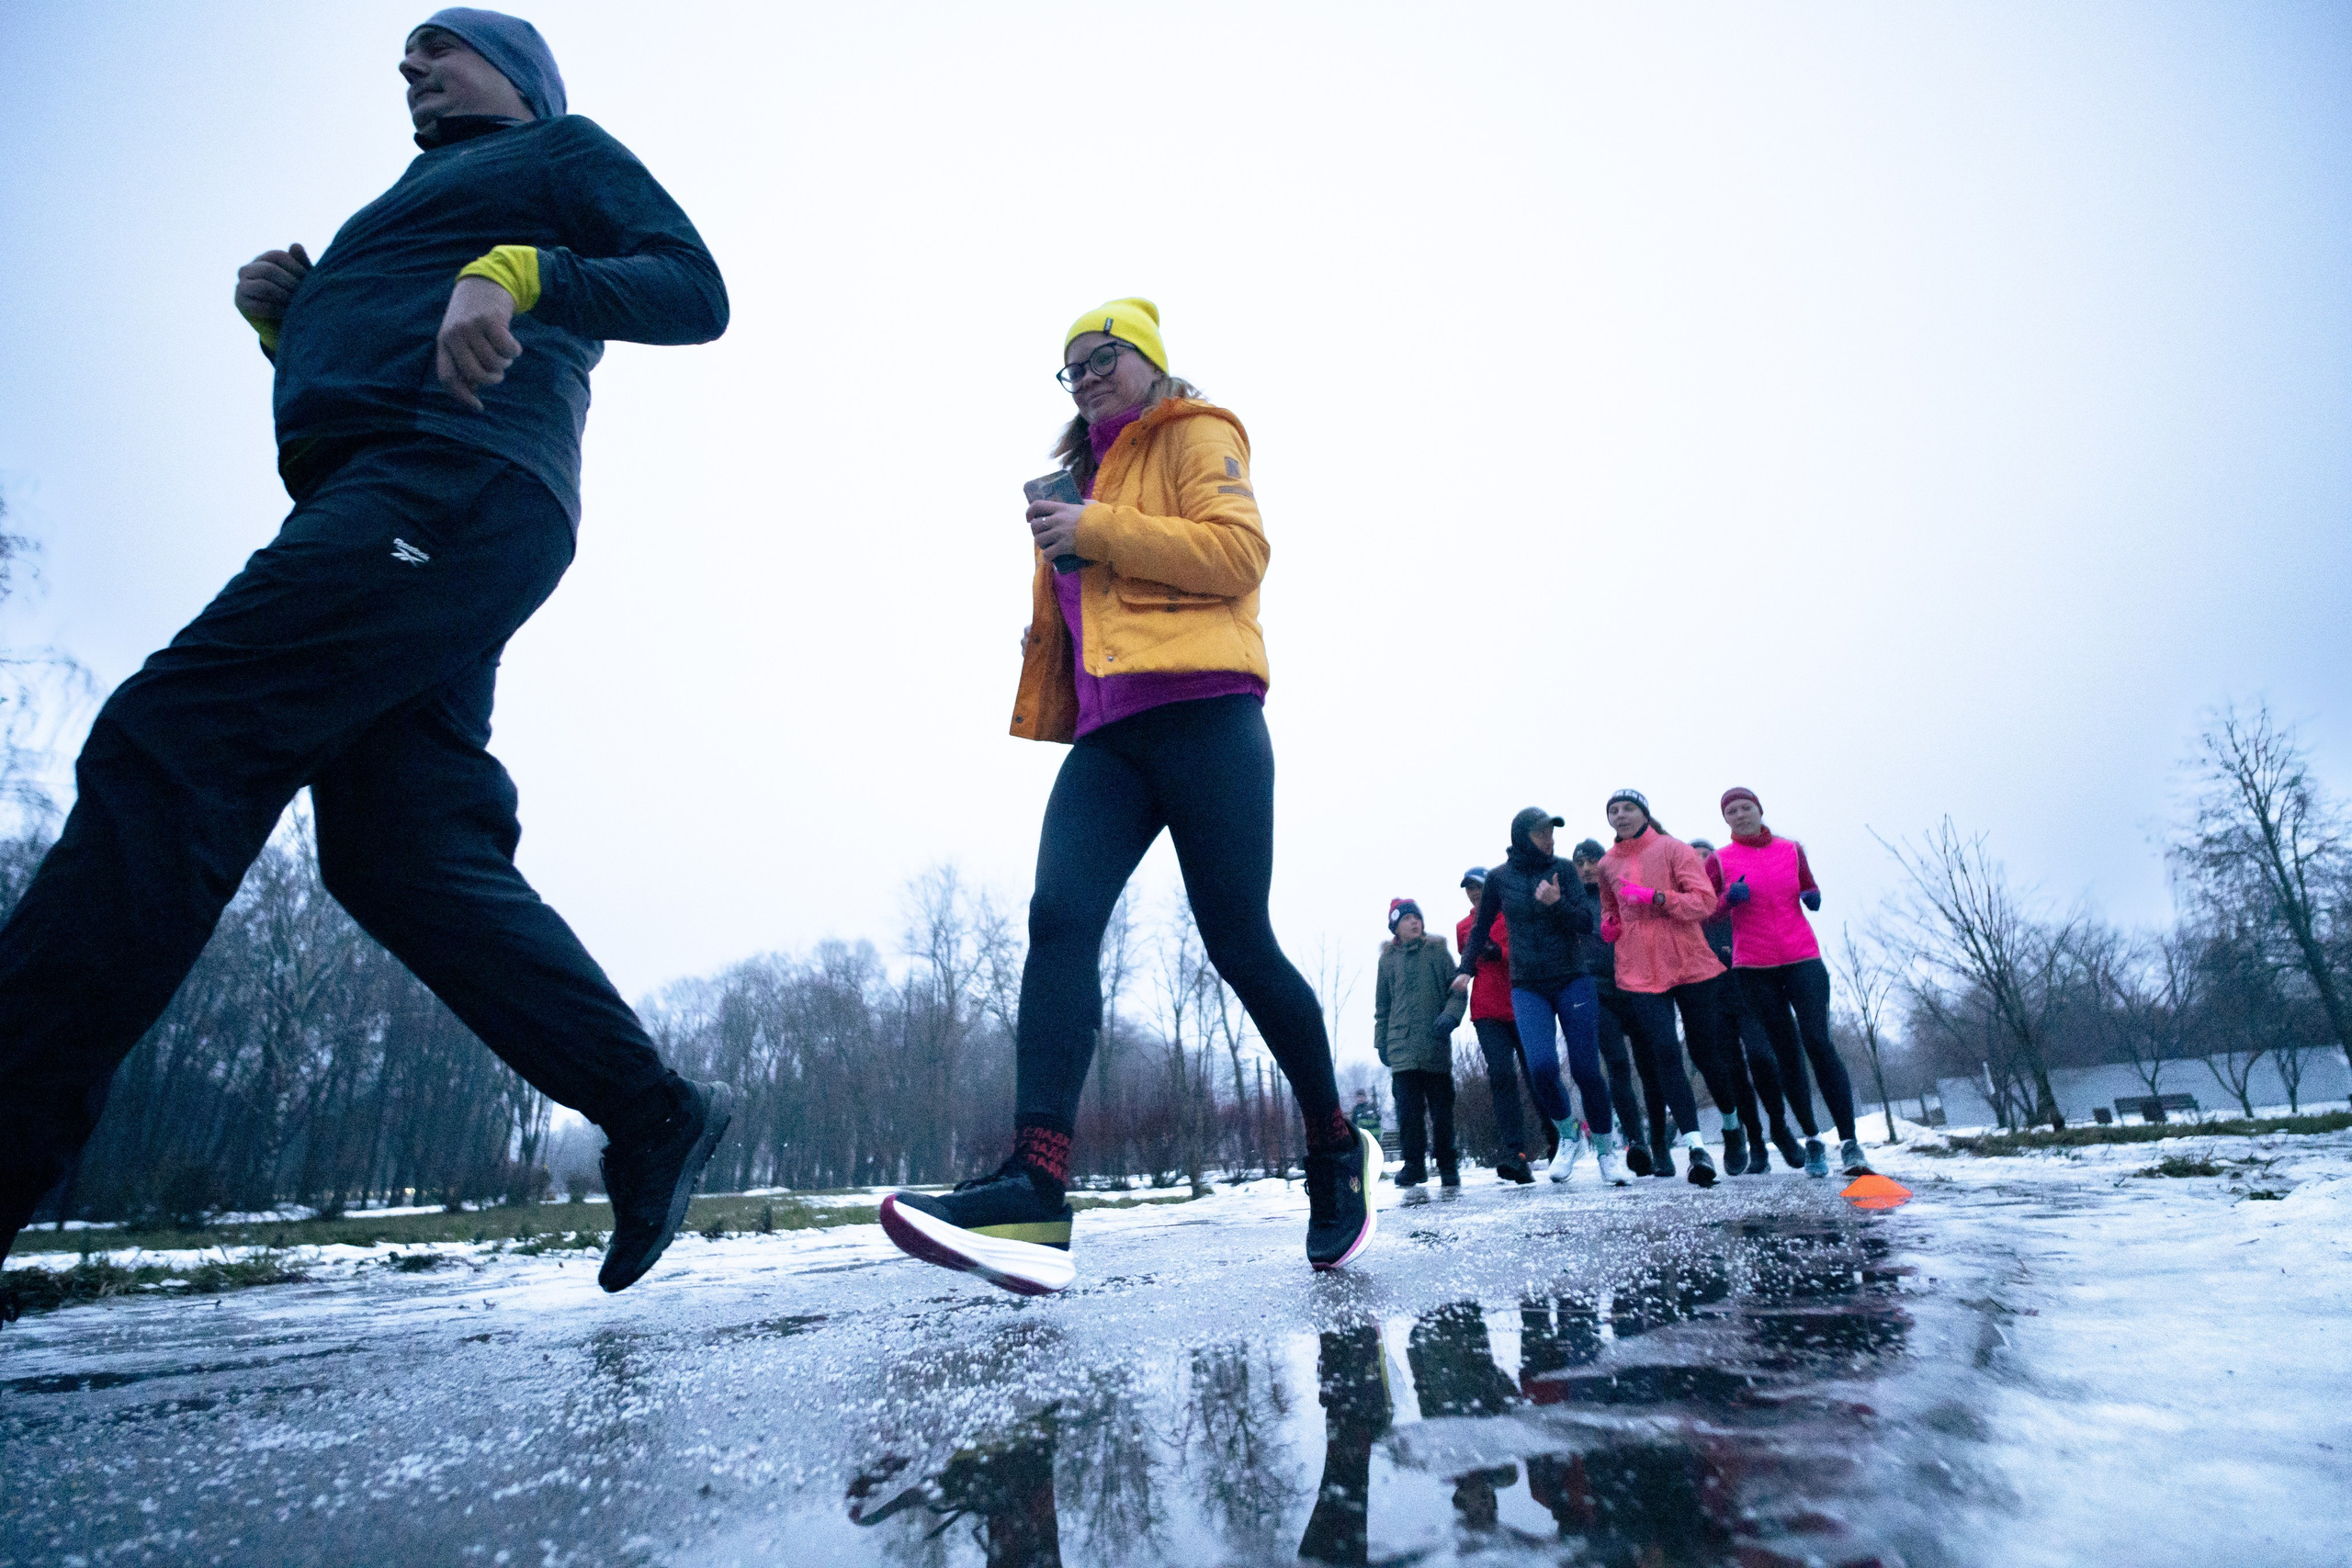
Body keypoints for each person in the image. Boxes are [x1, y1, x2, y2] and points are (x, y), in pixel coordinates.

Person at [0, 10, 733, 1301]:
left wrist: (524, 272)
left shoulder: (557, 156)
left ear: (516, 76)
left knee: (178, 739)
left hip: (448, 486)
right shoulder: (405, 203)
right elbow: (380, 361)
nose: (411, 66)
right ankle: (651, 1105)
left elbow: (695, 286)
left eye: (439, 48)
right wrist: (294, 323)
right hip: (406, 500)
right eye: (404, 56)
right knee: (401, 851)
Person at [880, 299, 1378, 1295]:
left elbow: (1238, 555)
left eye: (1101, 357)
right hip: (1110, 739)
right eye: (1070, 367)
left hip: (1207, 716)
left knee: (1237, 940)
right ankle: (1034, 1189)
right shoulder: (1072, 479)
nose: (1086, 376)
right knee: (1057, 920)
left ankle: (1331, 1143)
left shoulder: (1198, 432)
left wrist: (1096, 530)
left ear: (1148, 360)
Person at [1593, 789, 1761, 1186]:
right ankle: (1696, 1147)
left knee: (1705, 1052)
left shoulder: (1674, 849)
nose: (1620, 815)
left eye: (1628, 808)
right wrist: (1609, 924)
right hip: (1638, 969)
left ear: (1644, 813)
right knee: (1665, 1053)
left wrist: (1657, 897)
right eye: (1613, 811)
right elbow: (1609, 908)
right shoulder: (1606, 864)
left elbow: (1704, 903)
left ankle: (1732, 1126)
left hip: (1688, 960)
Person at [1458, 808, 1630, 1187]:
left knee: (1586, 1069)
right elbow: (1480, 927)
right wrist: (1465, 969)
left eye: (1551, 833)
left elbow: (1587, 924)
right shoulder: (1500, 879)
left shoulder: (1564, 871)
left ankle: (1605, 1150)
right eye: (1541, 833)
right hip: (1528, 986)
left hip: (1573, 979)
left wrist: (1557, 902)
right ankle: (1568, 1136)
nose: (1549, 839)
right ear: (1522, 836)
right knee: (1541, 1069)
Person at [1714, 787, 1871, 1177]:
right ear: (1726, 819)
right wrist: (1728, 900)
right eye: (1731, 811)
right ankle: (1814, 1139)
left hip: (1802, 957)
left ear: (1759, 810)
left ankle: (1851, 1143)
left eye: (1745, 807)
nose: (1739, 814)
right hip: (1753, 967)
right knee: (1786, 1052)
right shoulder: (1719, 860)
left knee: (1817, 1040)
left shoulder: (1790, 849)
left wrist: (1813, 894)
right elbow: (1706, 912)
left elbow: (1809, 886)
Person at [1692, 837, 1805, 1174]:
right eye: (1692, 858)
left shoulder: (1737, 894)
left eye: (1705, 856)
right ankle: (1753, 1140)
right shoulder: (1688, 906)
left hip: (1747, 989)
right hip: (1710, 996)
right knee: (1731, 1071)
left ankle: (1780, 1128)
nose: (1699, 862)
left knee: (1762, 1058)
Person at [1571, 840, 1671, 1177]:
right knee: (1616, 1065)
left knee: (1650, 1066)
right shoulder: (1570, 902)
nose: (1586, 868)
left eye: (1592, 860)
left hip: (1637, 985)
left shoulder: (1621, 890)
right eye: (1579, 862)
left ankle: (1659, 1144)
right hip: (1597, 991)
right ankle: (1636, 1142)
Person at [1373, 899, 1466, 1189]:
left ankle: (1448, 1166)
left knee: (1441, 1111)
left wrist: (1450, 1017)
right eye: (1408, 919)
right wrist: (1381, 1043)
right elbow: (1382, 1007)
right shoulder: (1387, 960)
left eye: (1418, 918)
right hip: (1401, 1048)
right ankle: (1413, 1166)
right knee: (1408, 1113)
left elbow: (1458, 992)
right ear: (1396, 926)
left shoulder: (1437, 953)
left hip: (1434, 1044)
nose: (1416, 923)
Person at [1454, 868, 1534, 1184]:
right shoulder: (1464, 927)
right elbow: (1468, 965)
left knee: (1538, 1073)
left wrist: (1498, 952)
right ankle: (1515, 1154)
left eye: (1479, 887)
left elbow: (1528, 952)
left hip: (1524, 1003)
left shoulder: (1515, 915)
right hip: (1487, 1010)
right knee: (1501, 1076)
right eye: (1469, 889)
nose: (1474, 893)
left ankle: (1557, 1139)